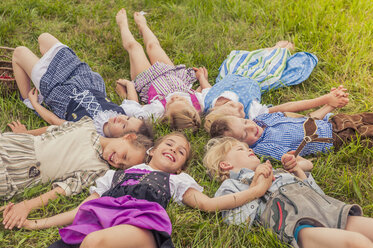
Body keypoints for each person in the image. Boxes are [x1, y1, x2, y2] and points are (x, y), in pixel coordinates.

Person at [19, 132, 272, 248]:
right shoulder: (114, 175)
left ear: (179, 169)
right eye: (169, 144)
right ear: (152, 150)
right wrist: (38, 223)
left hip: (140, 228)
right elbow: (84, 209)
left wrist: (256, 190)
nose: (173, 149)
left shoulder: (175, 181)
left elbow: (208, 205)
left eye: (180, 152)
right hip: (99, 224)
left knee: (95, 243)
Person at [203, 137, 373, 248]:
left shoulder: (277, 171)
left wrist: (297, 171)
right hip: (300, 225)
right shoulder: (233, 185)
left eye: (248, 148)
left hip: (331, 211)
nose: (250, 150)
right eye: (240, 149)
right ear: (225, 165)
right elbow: (235, 220)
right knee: (357, 242)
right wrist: (256, 187)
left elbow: (318, 194)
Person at [1, 116, 153, 230]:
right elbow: (51, 131)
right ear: (128, 137)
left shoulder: (99, 170)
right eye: (124, 156)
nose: (118, 161)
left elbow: (63, 189)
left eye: (122, 166)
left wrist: (27, 206)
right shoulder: (87, 125)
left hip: (18, 175)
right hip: (13, 146)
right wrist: (25, 134)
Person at [12, 33, 153, 138]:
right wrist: (129, 85)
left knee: (19, 52)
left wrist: (34, 107)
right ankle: (45, 66)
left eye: (123, 125)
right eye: (128, 118)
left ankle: (27, 99)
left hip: (58, 91)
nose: (122, 118)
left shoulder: (90, 132)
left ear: (123, 139)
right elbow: (133, 103)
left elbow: (55, 122)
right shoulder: (121, 113)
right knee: (44, 38)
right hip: (82, 78)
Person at [114, 9, 212, 132]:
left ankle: (122, 24)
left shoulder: (156, 113)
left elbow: (133, 108)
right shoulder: (199, 105)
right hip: (170, 74)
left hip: (147, 80)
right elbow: (208, 92)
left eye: (170, 103)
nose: (175, 97)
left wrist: (129, 86)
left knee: (135, 48)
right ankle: (142, 25)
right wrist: (202, 78)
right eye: (181, 99)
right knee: (153, 46)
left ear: (165, 116)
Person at [208, 89, 364, 162]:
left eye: (245, 122)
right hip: (336, 138)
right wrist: (291, 161)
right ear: (240, 145)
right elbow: (292, 155)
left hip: (333, 121)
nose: (250, 127)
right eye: (243, 134)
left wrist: (330, 105)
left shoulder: (262, 119)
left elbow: (306, 120)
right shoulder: (263, 148)